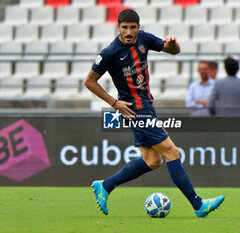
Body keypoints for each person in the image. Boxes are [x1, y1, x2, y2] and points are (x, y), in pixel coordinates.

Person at [84, 9, 224, 218]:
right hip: (135, 110)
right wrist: (114, 103)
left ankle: (106, 185)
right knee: (172, 152)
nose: (129, 32)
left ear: (138, 27)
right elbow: (89, 81)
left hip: (146, 106)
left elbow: (173, 51)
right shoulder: (110, 52)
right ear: (118, 27)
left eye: (133, 27)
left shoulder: (144, 39)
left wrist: (173, 44)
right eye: (124, 27)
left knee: (152, 161)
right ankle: (198, 205)